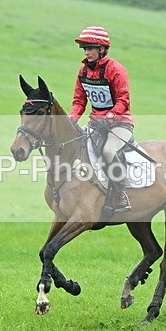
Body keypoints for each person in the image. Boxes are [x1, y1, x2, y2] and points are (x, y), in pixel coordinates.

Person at [68, 26, 134, 221]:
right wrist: (72, 120)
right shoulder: (83, 72)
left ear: (102, 49)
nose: (87, 52)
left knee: (107, 152)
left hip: (120, 124)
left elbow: (124, 100)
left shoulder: (115, 69)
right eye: (85, 49)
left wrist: (110, 117)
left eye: (90, 48)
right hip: (96, 123)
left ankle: (120, 193)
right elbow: (79, 102)